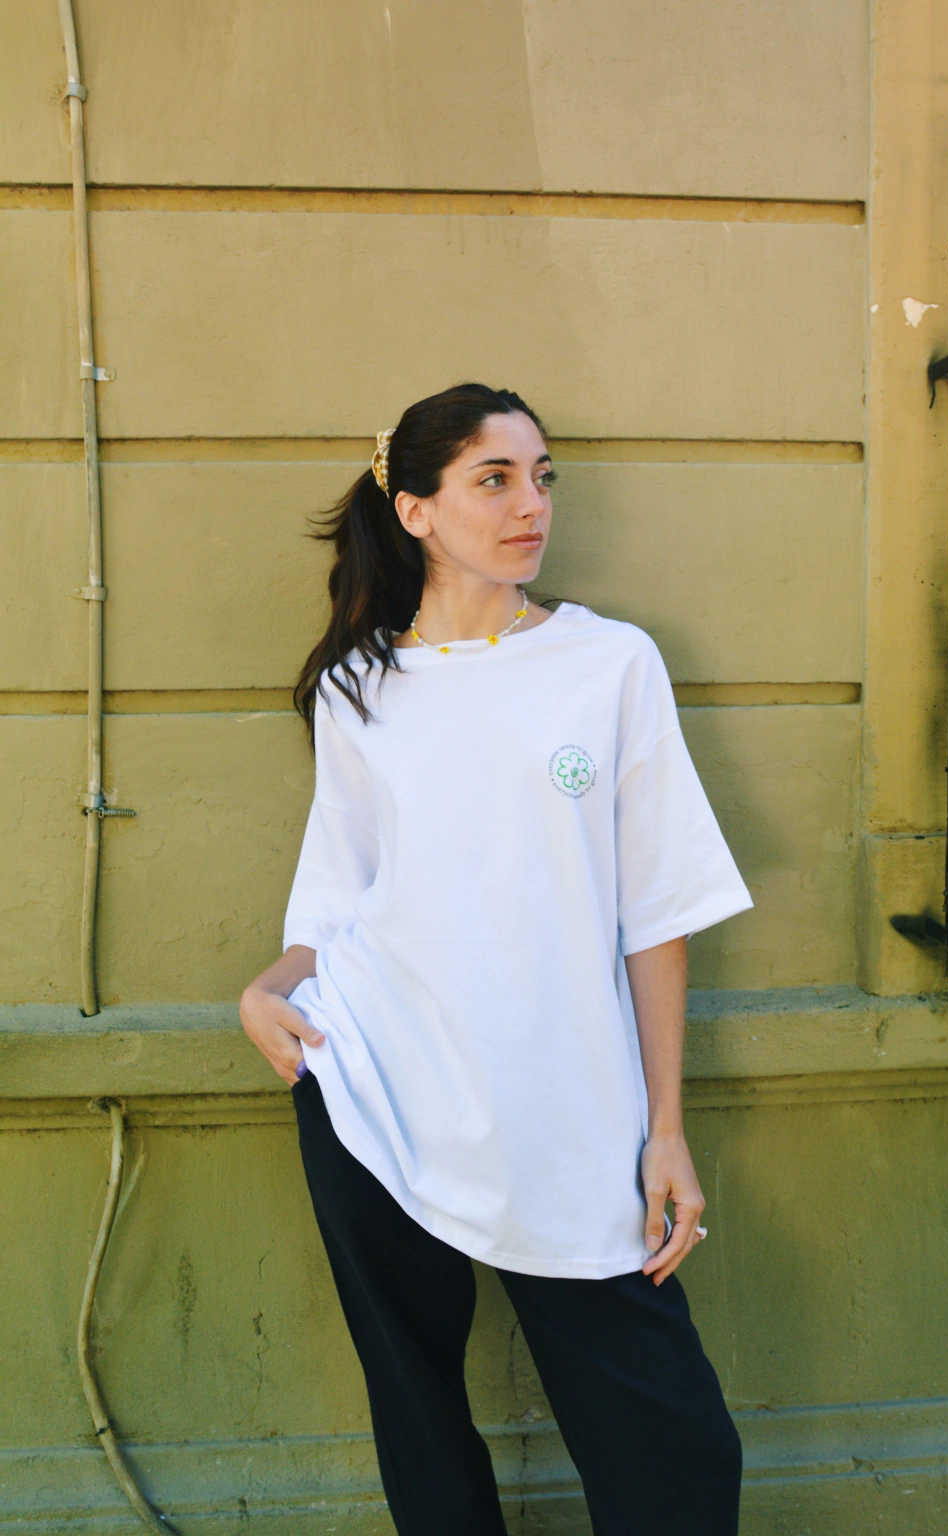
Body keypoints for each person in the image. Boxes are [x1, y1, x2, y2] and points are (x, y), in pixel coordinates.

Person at [239, 382, 753, 1535]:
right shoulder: (358, 688)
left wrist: (664, 1129)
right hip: (374, 1089)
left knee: (677, 1455)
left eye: (541, 477)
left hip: (564, 1114)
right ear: (415, 510)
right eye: (495, 478)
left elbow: (655, 909)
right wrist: (267, 990)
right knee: (420, 1426)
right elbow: (336, 895)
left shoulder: (608, 664)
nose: (532, 505)